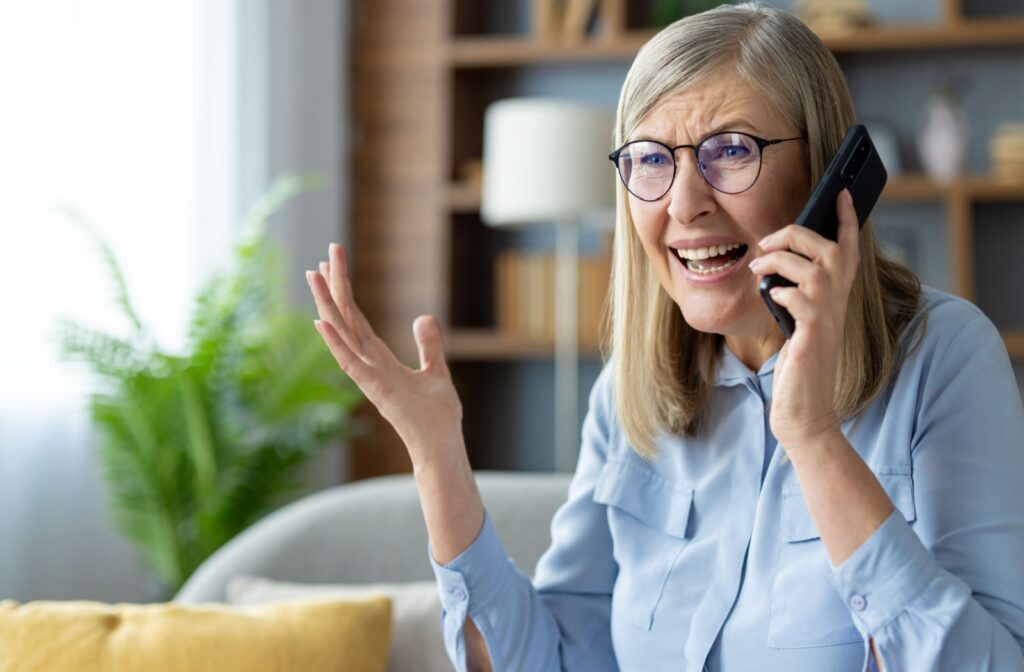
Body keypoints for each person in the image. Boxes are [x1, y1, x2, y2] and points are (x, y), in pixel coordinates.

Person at [306, 3, 1024, 670]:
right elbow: (553, 660)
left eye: (732, 150)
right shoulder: (629, 392)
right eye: (651, 158)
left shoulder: (945, 358)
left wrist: (812, 435)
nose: (684, 203)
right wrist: (436, 458)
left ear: (828, 177)